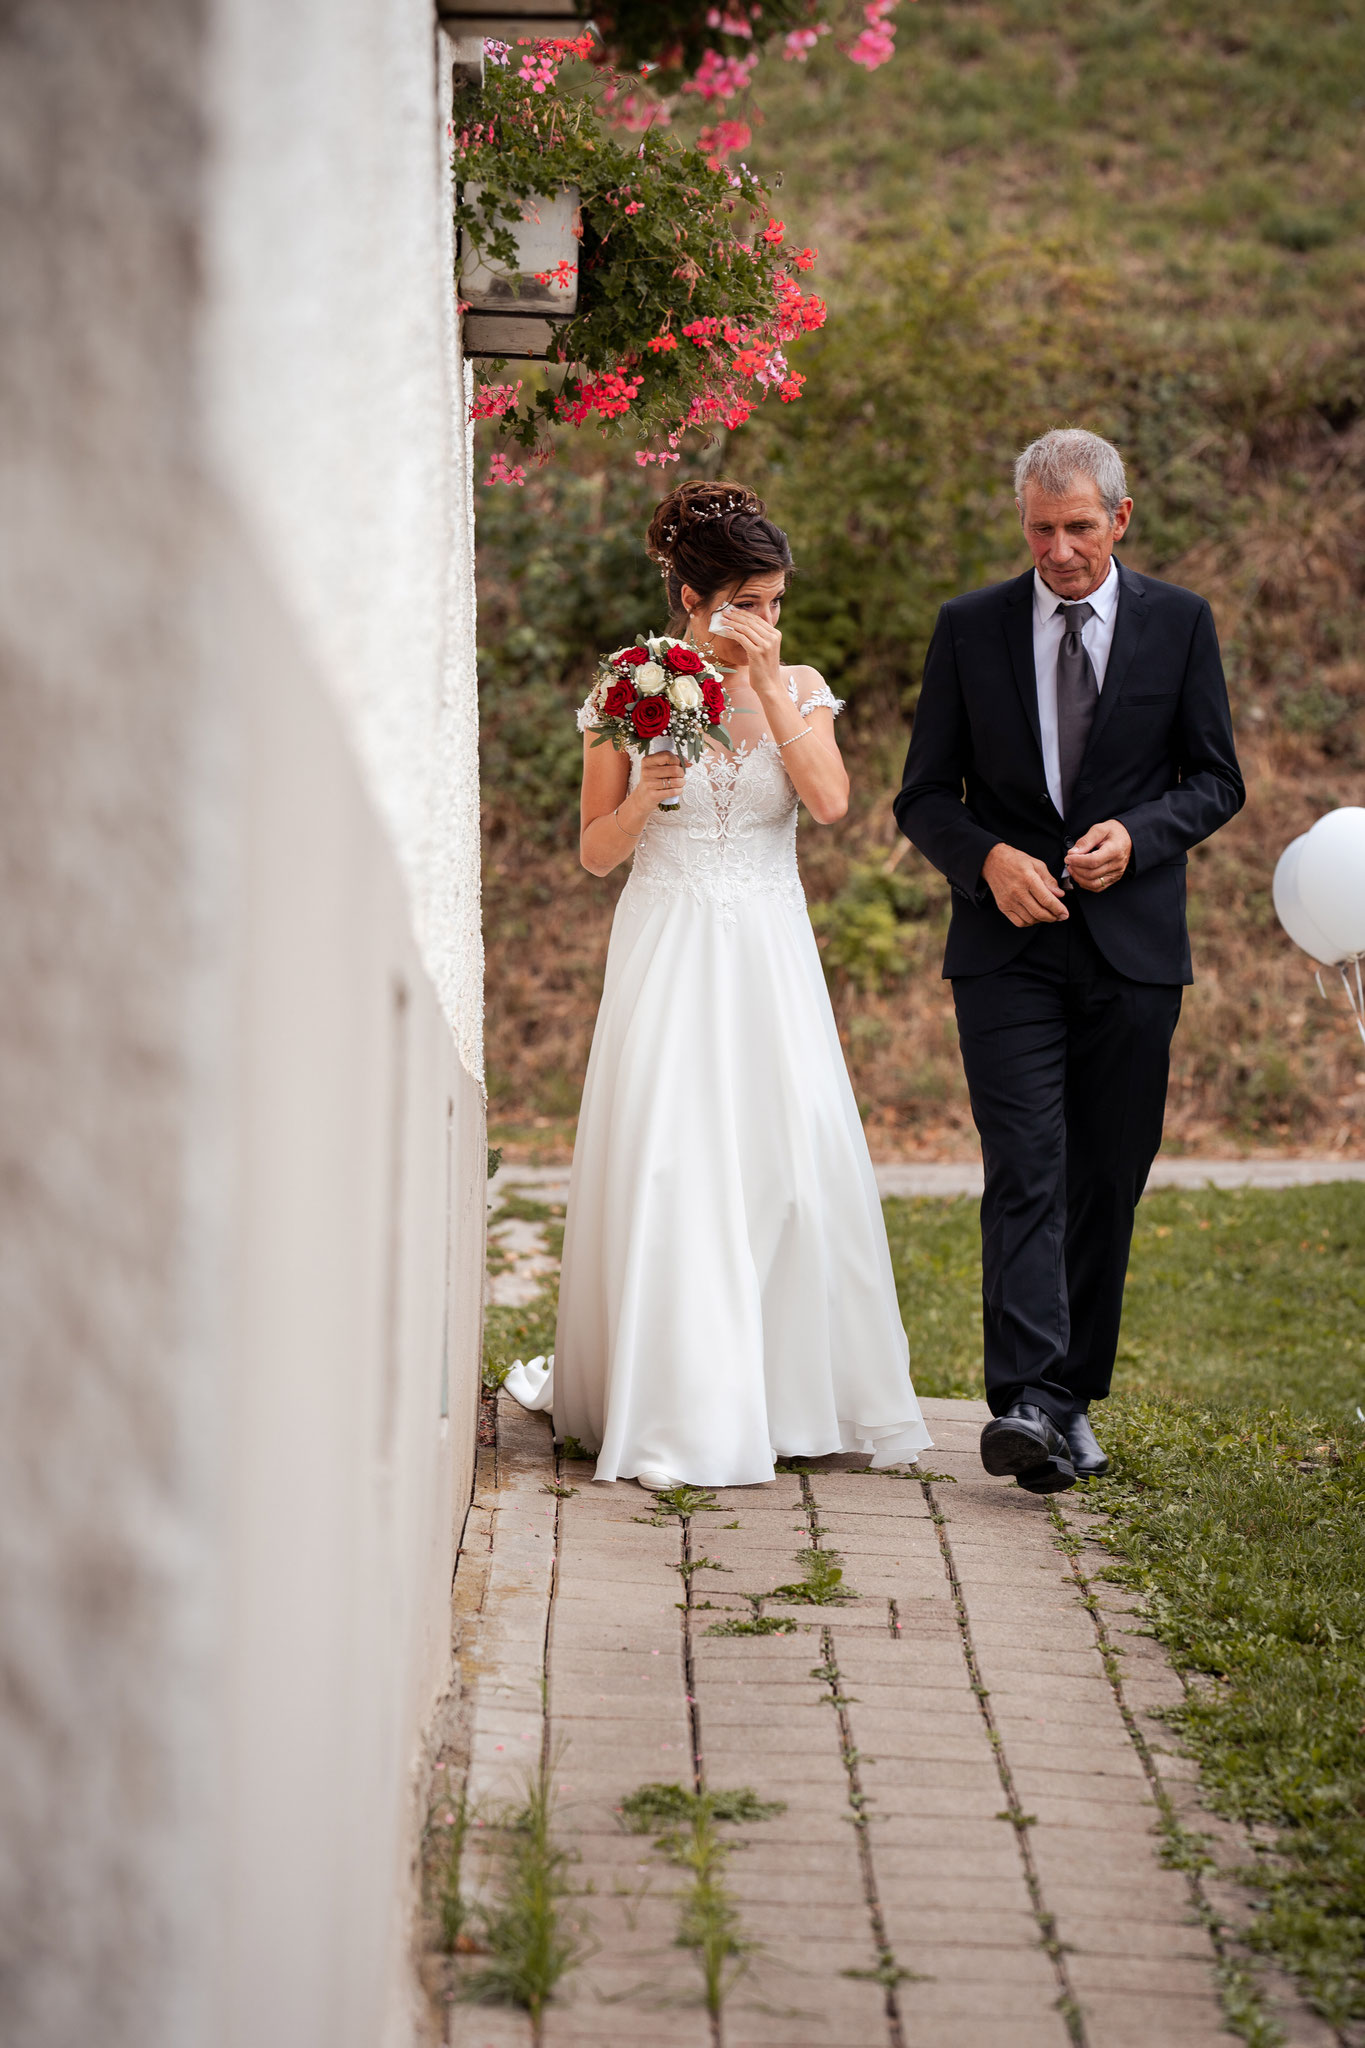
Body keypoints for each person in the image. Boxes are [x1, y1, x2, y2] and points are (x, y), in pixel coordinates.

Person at [506, 480, 931, 1490]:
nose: (768, 621)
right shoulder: (632, 684)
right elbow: (594, 855)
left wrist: (776, 685)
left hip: (770, 951)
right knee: (673, 1161)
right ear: (695, 597)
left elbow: (829, 803)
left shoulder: (805, 683)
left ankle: (791, 1394)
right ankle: (680, 1399)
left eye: (778, 602)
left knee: (788, 1166)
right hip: (669, 941)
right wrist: (646, 797)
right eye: (751, 602)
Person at [894, 428, 1244, 1493]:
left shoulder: (1180, 624)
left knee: (1106, 1175)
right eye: (1041, 529)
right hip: (1006, 951)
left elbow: (1215, 779)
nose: (1059, 549)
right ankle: (1030, 1402)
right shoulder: (969, 629)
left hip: (1135, 950)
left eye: (1079, 527)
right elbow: (921, 797)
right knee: (1028, 1168)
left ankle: (1072, 1397)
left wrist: (1141, 835)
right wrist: (988, 858)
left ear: (1120, 520)